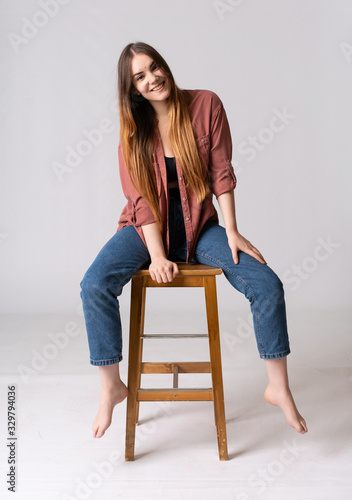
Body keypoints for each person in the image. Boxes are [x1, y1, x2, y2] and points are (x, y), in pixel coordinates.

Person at [80, 41, 308, 439]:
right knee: (93, 285)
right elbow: (141, 200)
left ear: (164, 66)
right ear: (133, 89)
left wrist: (233, 230)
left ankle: (278, 386)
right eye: (140, 76)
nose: (152, 78)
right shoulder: (133, 130)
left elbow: (221, 172)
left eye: (154, 67)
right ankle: (111, 386)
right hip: (143, 231)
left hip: (199, 230)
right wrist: (156, 256)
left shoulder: (206, 105)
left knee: (267, 284)